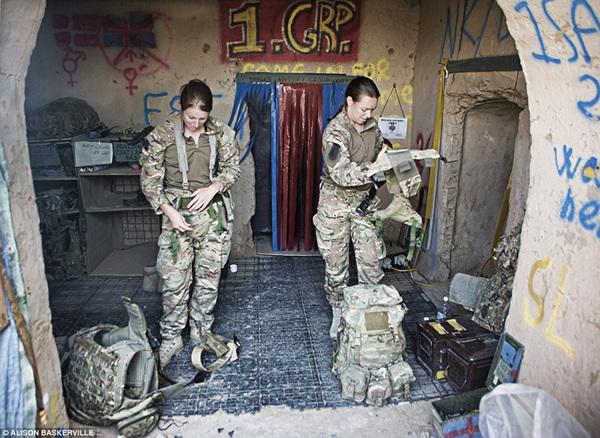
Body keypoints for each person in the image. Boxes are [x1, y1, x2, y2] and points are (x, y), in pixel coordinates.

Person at [140, 79, 241, 366]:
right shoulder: (162, 135)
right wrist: (169, 212)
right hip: (177, 218)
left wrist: (214, 187)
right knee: (174, 283)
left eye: (202, 118)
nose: (196, 124)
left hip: (212, 219)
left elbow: (233, 167)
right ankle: (171, 337)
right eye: (190, 117)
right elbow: (149, 180)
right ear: (181, 109)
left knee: (208, 281)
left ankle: (200, 332)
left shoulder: (221, 132)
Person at [313, 76, 389, 338]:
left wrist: (390, 163)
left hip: (364, 203)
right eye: (364, 109)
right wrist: (372, 169)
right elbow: (341, 173)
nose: (368, 115)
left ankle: (369, 315)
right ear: (349, 101)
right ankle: (338, 311)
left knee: (371, 262)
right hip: (335, 204)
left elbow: (380, 153)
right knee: (336, 266)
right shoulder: (335, 132)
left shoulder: (373, 127)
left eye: (372, 110)